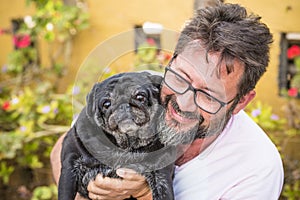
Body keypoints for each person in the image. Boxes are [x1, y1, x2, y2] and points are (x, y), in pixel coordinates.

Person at [50, 3, 284, 200]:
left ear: (242, 101)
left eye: (208, 95)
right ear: (171, 60)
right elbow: (64, 148)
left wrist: (146, 193)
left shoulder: (257, 167)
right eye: (181, 77)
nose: (183, 103)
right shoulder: (143, 91)